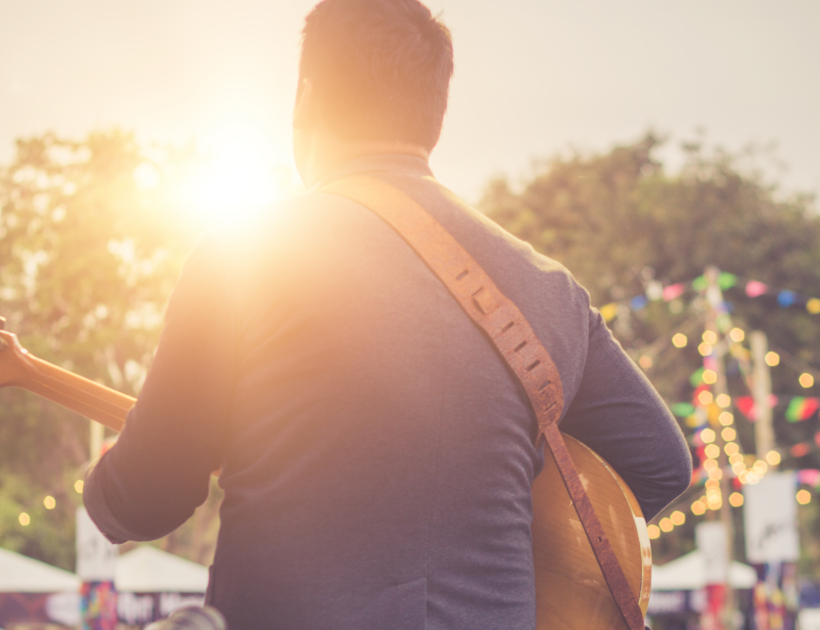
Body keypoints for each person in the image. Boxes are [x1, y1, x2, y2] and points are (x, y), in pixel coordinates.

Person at [84, 1, 692, 629]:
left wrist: (101, 481)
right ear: (434, 113)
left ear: (305, 99)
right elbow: (660, 464)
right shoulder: (550, 290)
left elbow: (144, 501)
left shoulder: (245, 253)